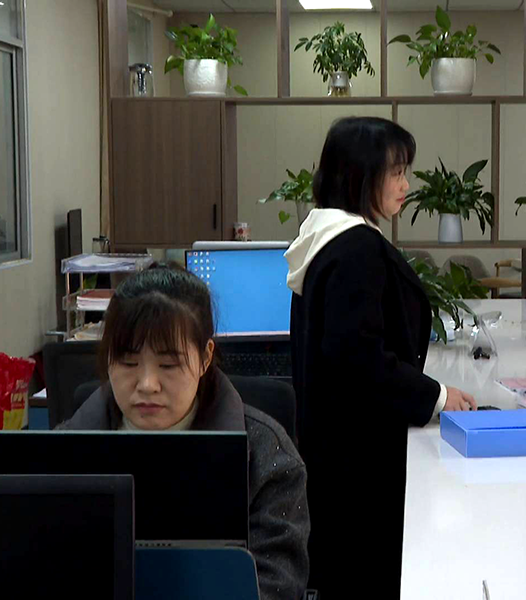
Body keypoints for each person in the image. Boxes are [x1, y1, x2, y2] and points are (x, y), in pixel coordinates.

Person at [286, 116, 476, 597]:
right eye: (396, 172)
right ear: (360, 175)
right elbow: (359, 358)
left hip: (334, 456)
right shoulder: (356, 249)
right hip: (360, 467)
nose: (406, 184)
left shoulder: (324, 238)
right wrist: (437, 396)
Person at [58, 265, 310, 600]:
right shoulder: (61, 451)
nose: (147, 385)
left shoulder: (265, 455)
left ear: (205, 358)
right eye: (128, 363)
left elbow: (277, 585)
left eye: (169, 365)